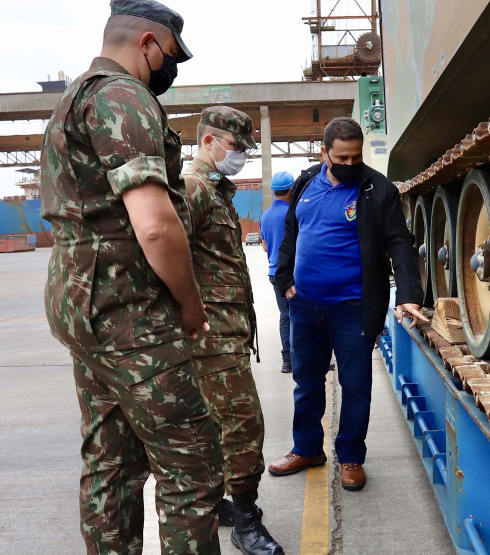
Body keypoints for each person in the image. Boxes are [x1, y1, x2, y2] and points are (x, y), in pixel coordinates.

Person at [39, 1, 223, 553]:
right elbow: (156, 225)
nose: (172, 70)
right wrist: (190, 305)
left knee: (111, 459)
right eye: (170, 57)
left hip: (82, 304)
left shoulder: (73, 98)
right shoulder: (122, 96)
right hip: (128, 313)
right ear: (147, 43)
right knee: (193, 461)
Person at [268, 117, 427, 491]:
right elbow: (293, 234)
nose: (351, 164)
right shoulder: (307, 183)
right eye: (343, 157)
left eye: (357, 157)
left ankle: (352, 456)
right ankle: (307, 448)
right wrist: (284, 280)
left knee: (355, 385)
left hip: (353, 308)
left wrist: (407, 294)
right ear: (324, 153)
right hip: (306, 306)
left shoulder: (378, 190)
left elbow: (400, 244)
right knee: (306, 382)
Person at [183, 106, 283, 555]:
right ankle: (245, 519)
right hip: (211, 336)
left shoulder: (216, 191)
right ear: (209, 142)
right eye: (236, 146)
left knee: (218, 426)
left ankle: (224, 502)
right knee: (244, 425)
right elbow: (164, 253)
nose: (240, 155)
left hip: (227, 332)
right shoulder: (192, 189)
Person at [259, 171, 295, 374]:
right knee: (305, 316)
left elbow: (265, 247)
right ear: (291, 190)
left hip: (274, 272)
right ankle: (312, 359)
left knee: (285, 315)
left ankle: (287, 360)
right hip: (293, 272)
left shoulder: (265, 216)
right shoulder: (293, 214)